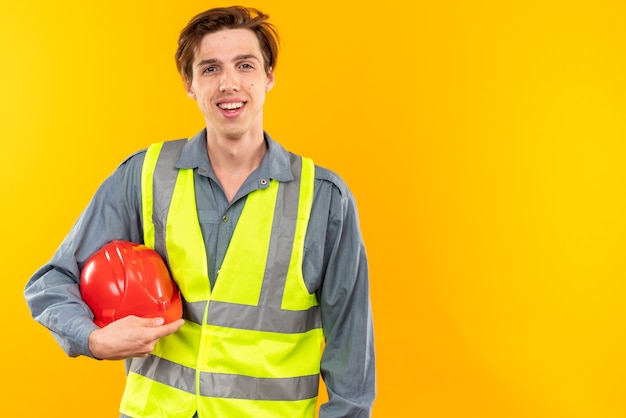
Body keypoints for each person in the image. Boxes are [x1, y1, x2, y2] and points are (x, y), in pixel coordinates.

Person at [24, 6, 375, 418]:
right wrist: (94, 340)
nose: (229, 84)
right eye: (210, 69)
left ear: (269, 76)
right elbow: (51, 281)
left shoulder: (323, 197)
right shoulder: (145, 175)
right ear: (190, 84)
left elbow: (351, 356)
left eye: (245, 65)